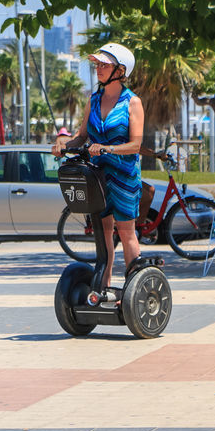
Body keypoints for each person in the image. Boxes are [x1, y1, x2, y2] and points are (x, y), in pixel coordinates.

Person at [52, 42, 145, 282]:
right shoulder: (93, 100)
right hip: (97, 176)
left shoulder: (132, 103)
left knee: (126, 232)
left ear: (121, 71)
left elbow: (135, 145)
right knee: (102, 233)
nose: (98, 68)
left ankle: (132, 287)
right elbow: (82, 136)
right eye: (97, 64)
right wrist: (65, 145)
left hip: (123, 177)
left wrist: (107, 147)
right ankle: (102, 285)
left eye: (104, 64)